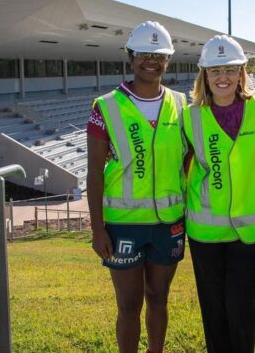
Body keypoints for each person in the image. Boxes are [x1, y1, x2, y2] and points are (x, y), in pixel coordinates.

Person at [87, 21, 187, 353]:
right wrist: (97, 229)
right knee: (129, 305)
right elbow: (94, 173)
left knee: (159, 298)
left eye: (159, 56)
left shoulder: (181, 104)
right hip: (122, 226)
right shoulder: (106, 106)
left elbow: (188, 161)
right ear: (130, 57)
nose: (151, 61)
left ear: (168, 60)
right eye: (143, 54)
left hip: (168, 223)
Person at [182, 34, 255, 353]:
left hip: (249, 231)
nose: (222, 77)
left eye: (229, 70)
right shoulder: (190, 116)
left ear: (241, 73)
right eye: (214, 71)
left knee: (242, 308)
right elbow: (182, 167)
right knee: (215, 312)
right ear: (204, 76)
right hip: (206, 232)